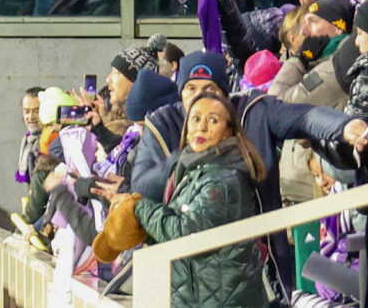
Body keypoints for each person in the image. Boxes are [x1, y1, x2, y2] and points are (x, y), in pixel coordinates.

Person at [115, 85, 274, 308]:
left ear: (228, 131)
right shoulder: (194, 171)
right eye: (196, 119)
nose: (202, 127)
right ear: (186, 128)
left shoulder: (223, 180)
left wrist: (140, 208)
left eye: (213, 120)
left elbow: (187, 235)